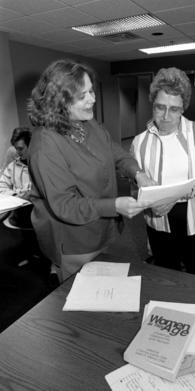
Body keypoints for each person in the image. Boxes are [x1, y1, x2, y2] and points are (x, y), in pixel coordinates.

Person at [27, 59, 152, 281]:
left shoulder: (88, 124)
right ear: (59, 102)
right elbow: (65, 205)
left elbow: (116, 153)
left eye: (92, 91)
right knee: (85, 304)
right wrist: (113, 205)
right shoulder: (45, 144)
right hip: (76, 239)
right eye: (82, 96)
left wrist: (137, 173)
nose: (92, 99)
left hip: (105, 228)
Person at [131, 67, 195, 278]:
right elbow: (135, 190)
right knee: (167, 278)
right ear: (152, 104)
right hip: (159, 222)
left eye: (174, 109)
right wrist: (149, 203)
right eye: (160, 107)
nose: (166, 116)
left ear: (183, 108)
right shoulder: (139, 143)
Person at [0, 127, 32, 228]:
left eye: (20, 148)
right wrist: (15, 195)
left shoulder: (42, 165)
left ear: (31, 146)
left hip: (35, 215)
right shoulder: (12, 167)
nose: (17, 152)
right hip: (16, 214)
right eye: (16, 148)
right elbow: (1, 187)